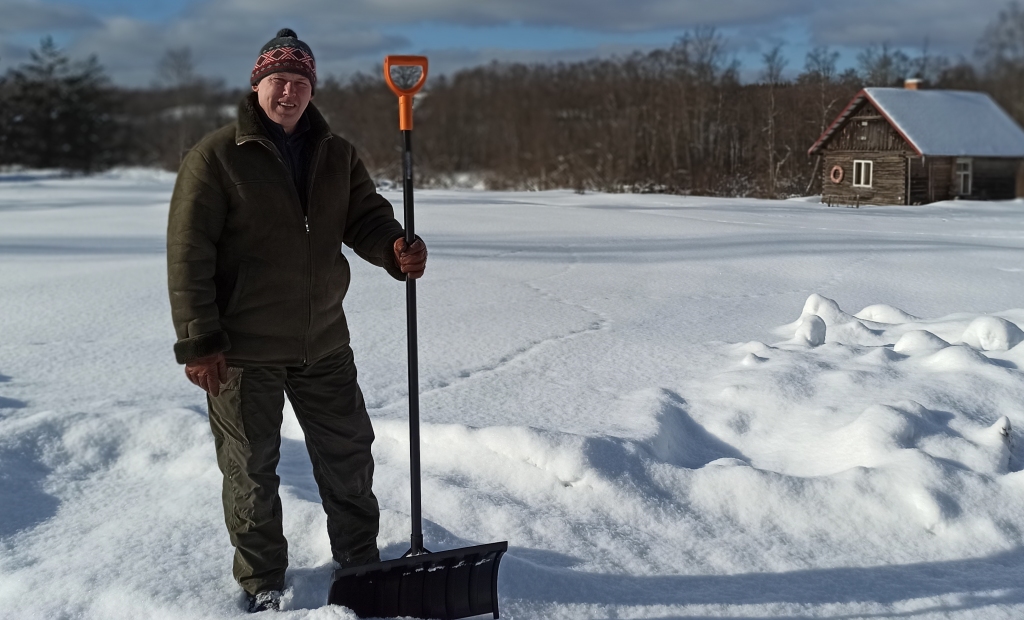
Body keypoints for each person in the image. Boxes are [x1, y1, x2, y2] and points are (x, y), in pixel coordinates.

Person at [166, 28, 427, 613]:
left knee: (349, 456)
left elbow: (366, 218)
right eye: (278, 81)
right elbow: (188, 254)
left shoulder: (337, 154)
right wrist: (199, 341)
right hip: (242, 350)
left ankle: (359, 561)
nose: (289, 92)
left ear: (313, 90)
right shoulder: (215, 156)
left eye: (300, 83)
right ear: (257, 85)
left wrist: (394, 248)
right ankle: (263, 580)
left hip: (323, 341)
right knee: (251, 470)